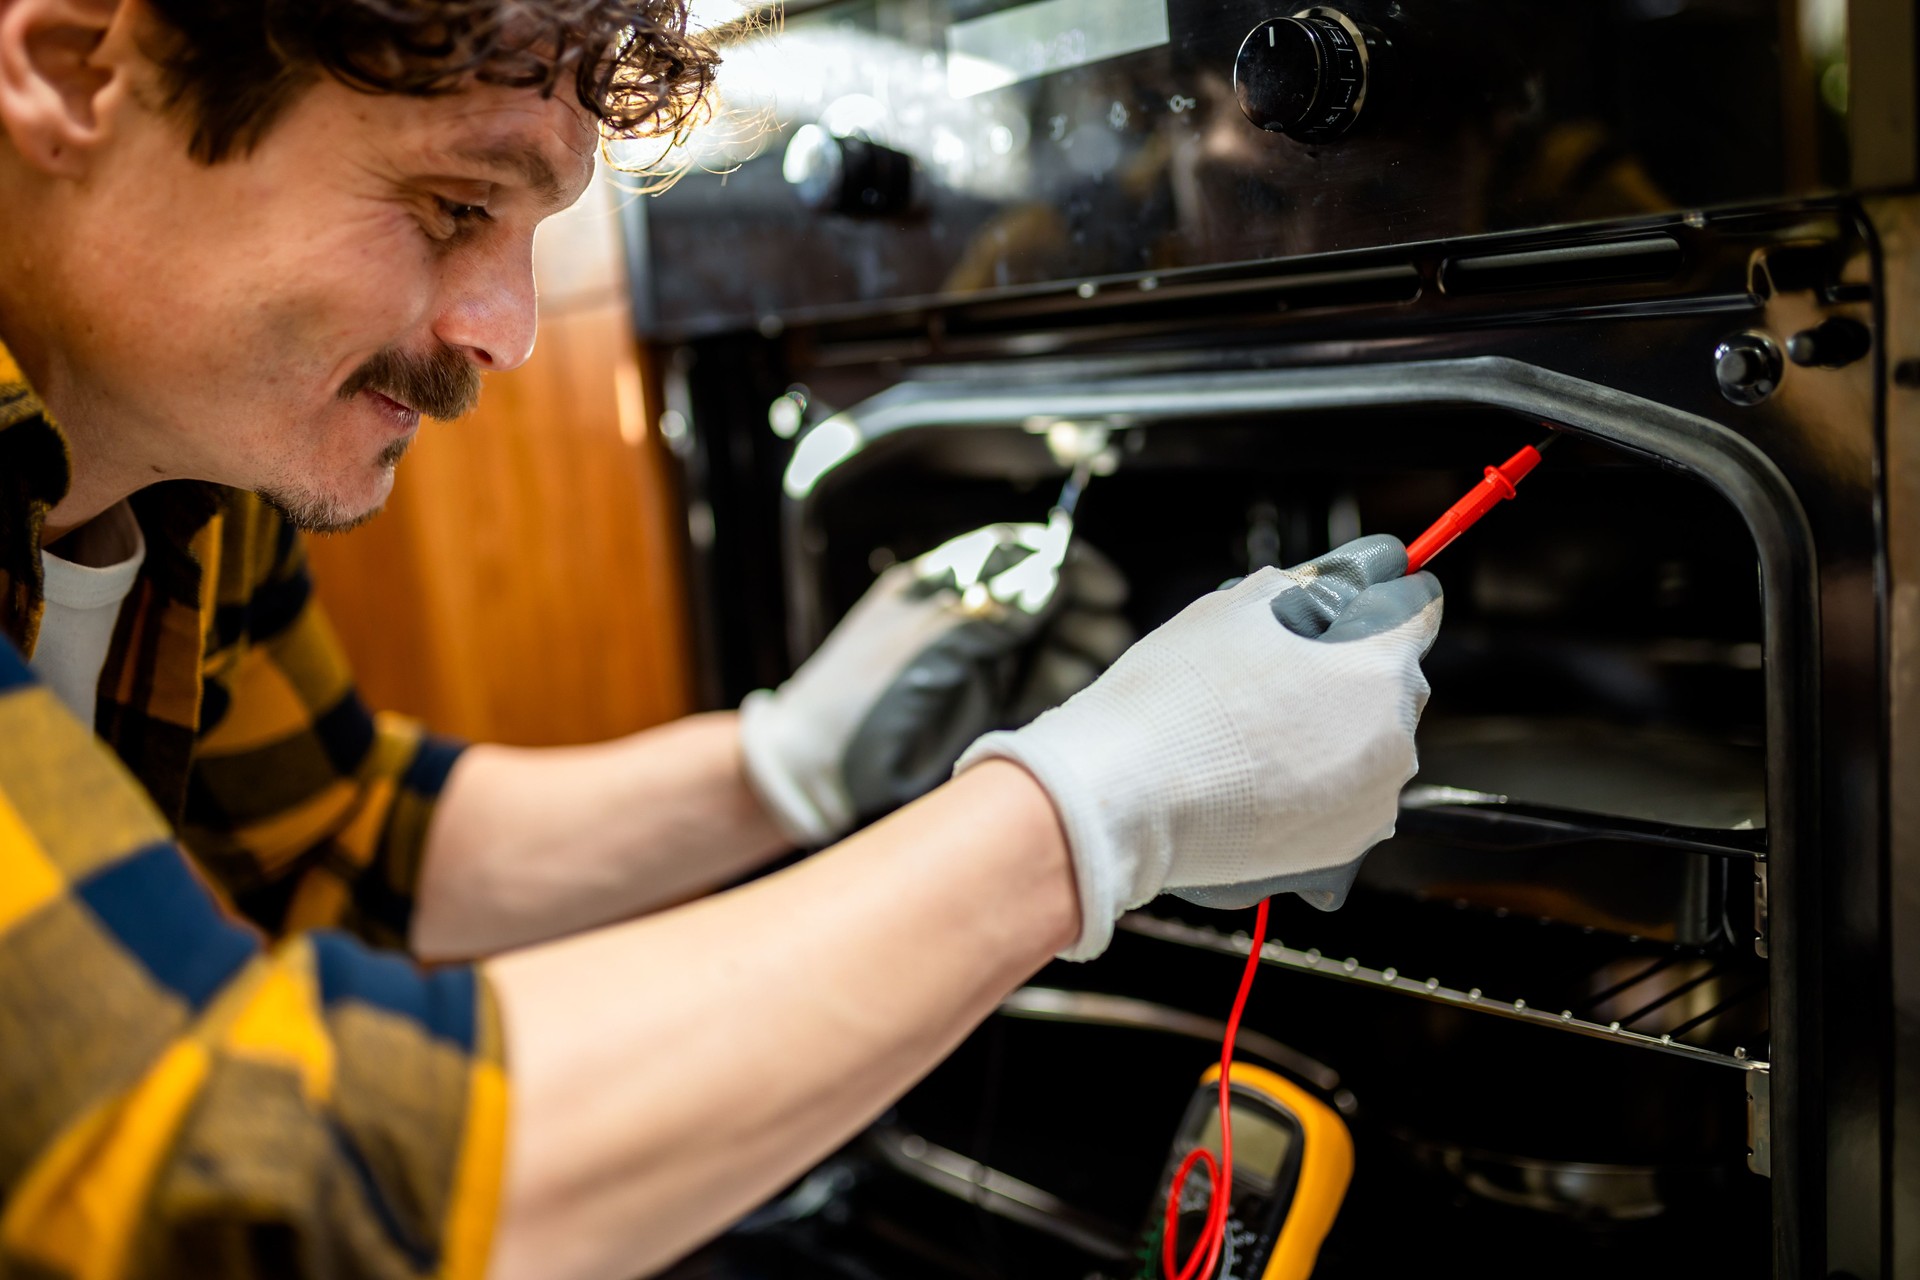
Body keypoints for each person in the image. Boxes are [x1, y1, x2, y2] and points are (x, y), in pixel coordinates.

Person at [0, 2, 1444, 1278]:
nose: (508, 330)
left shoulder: (188, 476)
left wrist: (791, 757)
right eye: (450, 207)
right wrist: (1092, 811)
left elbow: (340, 843)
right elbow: (229, 1177)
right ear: (79, 73)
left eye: (532, 234)